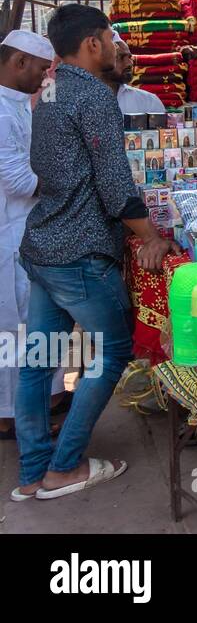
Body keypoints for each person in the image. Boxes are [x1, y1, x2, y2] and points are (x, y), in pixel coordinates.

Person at [14, 4, 180, 502]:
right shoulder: (93, 95)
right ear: (92, 43)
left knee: (38, 361)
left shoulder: (49, 88)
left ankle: (33, 473)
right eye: (110, 38)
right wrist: (152, 235)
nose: (115, 48)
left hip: (42, 243)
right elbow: (113, 185)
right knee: (112, 354)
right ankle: (64, 468)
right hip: (79, 251)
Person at [0, 31, 65, 442]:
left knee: (32, 324)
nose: (45, 78)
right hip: (10, 235)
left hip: (27, 231)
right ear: (19, 62)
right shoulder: (3, 113)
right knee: (16, 326)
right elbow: (19, 180)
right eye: (42, 70)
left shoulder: (20, 105)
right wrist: (67, 178)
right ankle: (13, 419)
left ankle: (44, 404)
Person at [104, 32, 165, 115]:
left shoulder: (148, 102)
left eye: (129, 57)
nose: (129, 63)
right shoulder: (84, 100)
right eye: (120, 57)